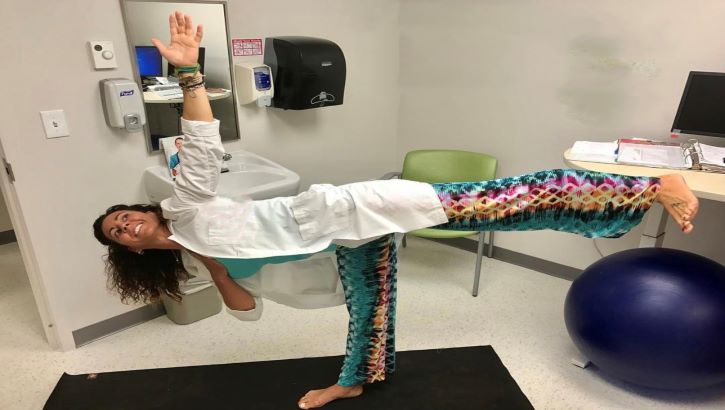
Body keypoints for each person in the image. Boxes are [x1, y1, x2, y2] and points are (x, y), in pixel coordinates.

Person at [92, 12, 699, 409]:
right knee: (370, 309)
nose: (125, 225)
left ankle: (643, 190)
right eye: (118, 234)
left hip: (350, 210)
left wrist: (191, 72)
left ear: (142, 212)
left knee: (498, 201)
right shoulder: (193, 265)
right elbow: (246, 316)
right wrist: (214, 265)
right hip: (338, 249)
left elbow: (199, 145)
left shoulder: (186, 203)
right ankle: (357, 378)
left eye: (121, 215)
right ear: (134, 250)